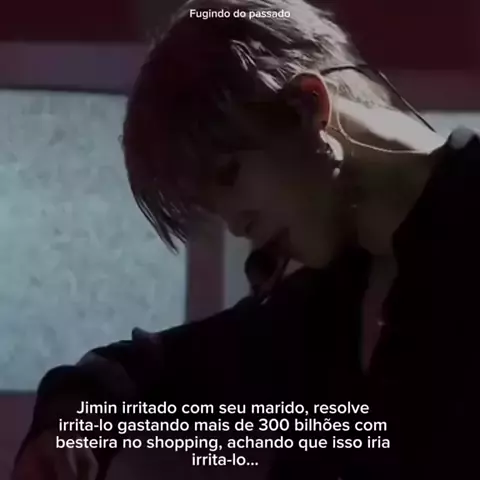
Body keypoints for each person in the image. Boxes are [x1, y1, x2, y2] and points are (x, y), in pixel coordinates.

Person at [119, 1, 479, 479]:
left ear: (307, 105)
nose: (236, 225)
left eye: (229, 173)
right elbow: (152, 367)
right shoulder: (325, 301)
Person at [12, 248, 366, 480]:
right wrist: (67, 428)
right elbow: (129, 363)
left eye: (229, 174)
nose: (235, 224)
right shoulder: (293, 317)